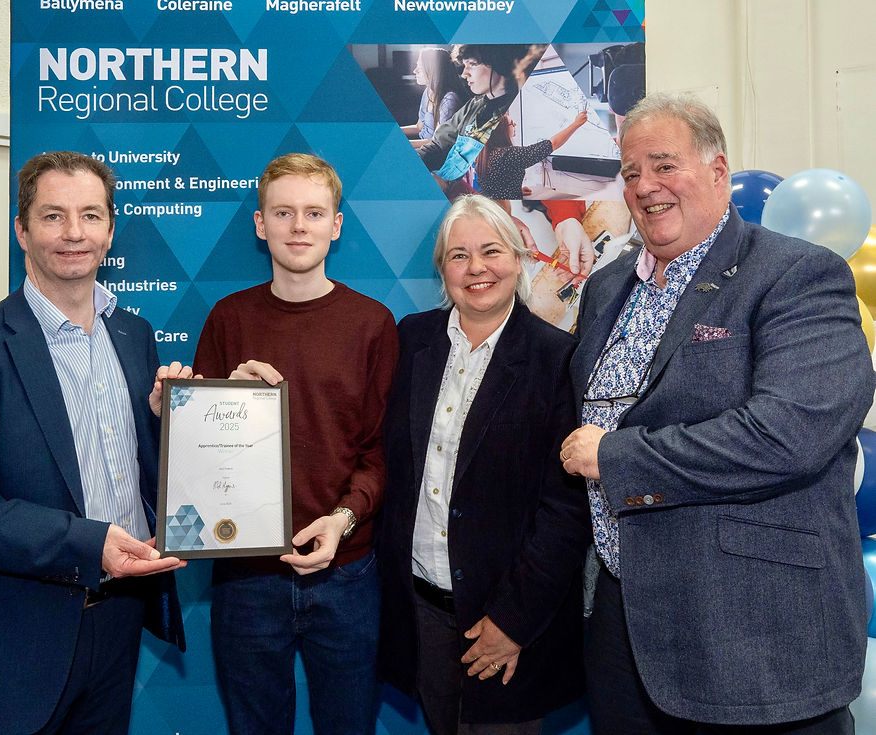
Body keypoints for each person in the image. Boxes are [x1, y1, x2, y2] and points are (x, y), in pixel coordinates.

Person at [560, 93, 875, 734]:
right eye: (629, 173)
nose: (645, 187)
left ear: (718, 171)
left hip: (753, 634)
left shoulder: (798, 274)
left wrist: (615, 457)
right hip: (624, 627)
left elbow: (789, 435)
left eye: (664, 165)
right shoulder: (605, 288)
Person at [0, 150, 191, 735]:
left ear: (110, 229)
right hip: (7, 647)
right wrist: (86, 543)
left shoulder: (134, 337)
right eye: (53, 215)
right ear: (22, 230)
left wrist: (171, 423)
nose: (73, 233)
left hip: (116, 625)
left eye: (90, 215)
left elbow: (139, 475)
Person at [192, 152, 398, 735]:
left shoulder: (372, 324)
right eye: (283, 213)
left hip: (347, 575)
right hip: (245, 578)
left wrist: (344, 520)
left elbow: (380, 452)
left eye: (314, 213)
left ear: (336, 224)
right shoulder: (227, 319)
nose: (298, 226)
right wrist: (216, 404)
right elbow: (198, 453)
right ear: (261, 225)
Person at [378, 194, 590, 735]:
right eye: (458, 256)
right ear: (442, 270)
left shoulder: (556, 358)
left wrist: (513, 624)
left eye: (491, 251)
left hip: (507, 617)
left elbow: (566, 512)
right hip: (423, 607)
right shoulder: (412, 340)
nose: (476, 268)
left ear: (518, 259)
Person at [419, 44, 540, 184]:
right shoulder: (473, 105)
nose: (464, 74)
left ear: (499, 63)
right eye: (464, 65)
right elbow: (438, 145)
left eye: (472, 64)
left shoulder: (515, 107)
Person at [474, 110, 588, 201]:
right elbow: (552, 144)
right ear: (501, 130)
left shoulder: (485, 153)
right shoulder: (508, 155)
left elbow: (496, 183)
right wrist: (576, 124)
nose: (515, 124)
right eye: (511, 123)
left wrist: (513, 191)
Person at [402, 47, 465, 150]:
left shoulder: (449, 100)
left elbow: (437, 141)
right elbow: (419, 127)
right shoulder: (428, 91)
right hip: (421, 143)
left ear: (433, 70)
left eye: (420, 67)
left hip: (433, 150)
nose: (415, 71)